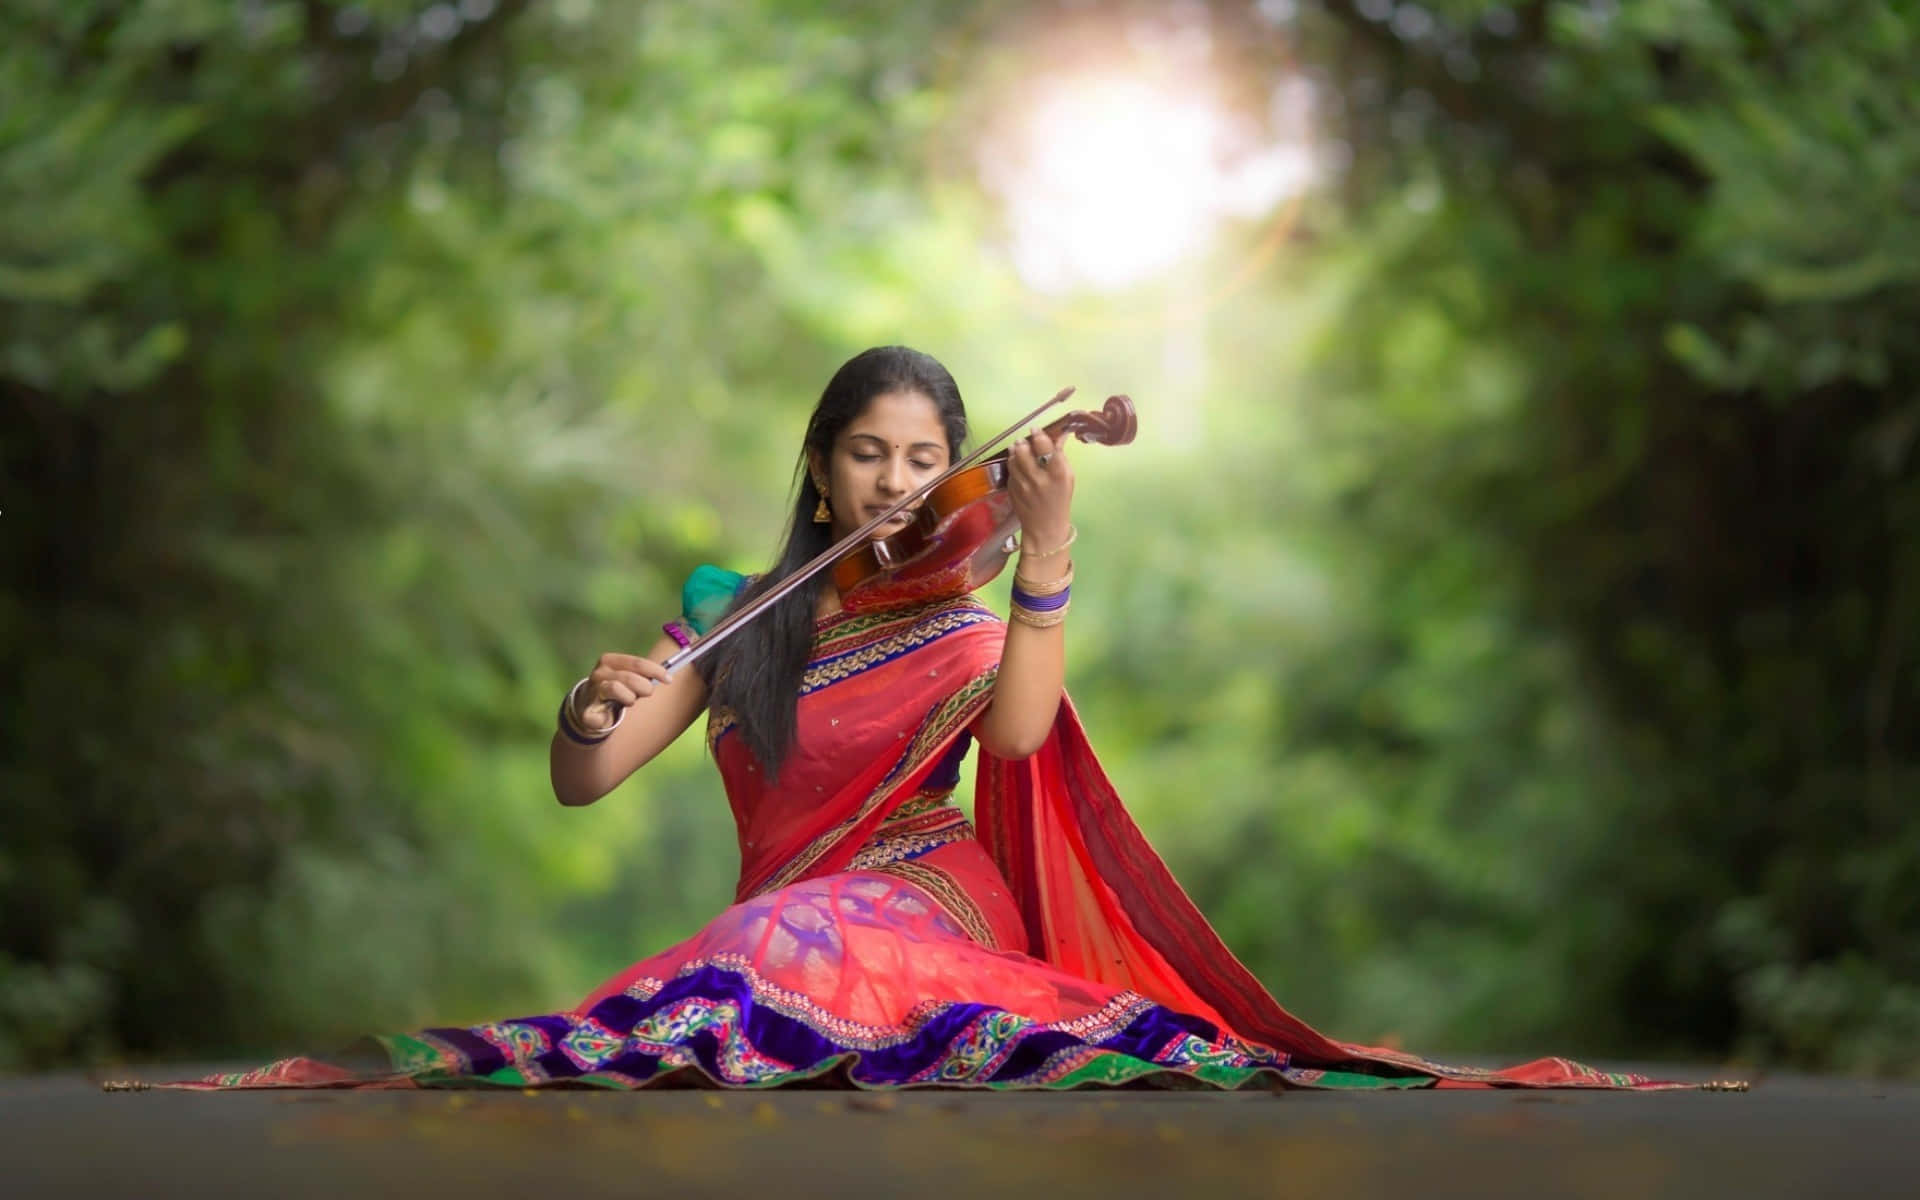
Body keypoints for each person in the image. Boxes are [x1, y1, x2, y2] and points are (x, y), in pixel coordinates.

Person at [162, 347, 1712, 1092]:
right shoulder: (738, 609)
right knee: (749, 952)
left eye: (924, 458)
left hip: (924, 882)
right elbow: (590, 780)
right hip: (790, 904)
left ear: (953, 468)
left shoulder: (970, 619)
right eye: (866, 455)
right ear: (821, 471)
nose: (898, 485)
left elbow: (1026, 747)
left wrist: (1044, 559)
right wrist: (587, 703)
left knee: (795, 959)